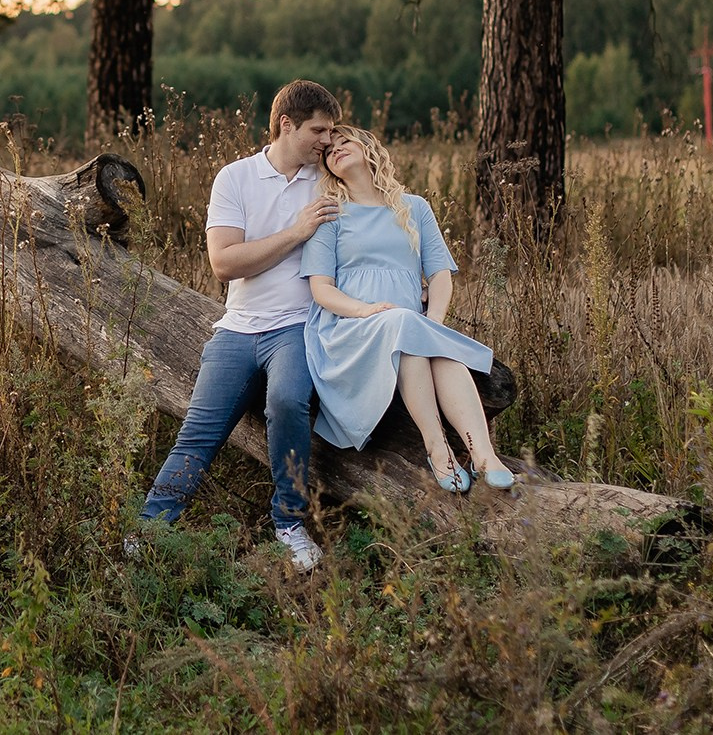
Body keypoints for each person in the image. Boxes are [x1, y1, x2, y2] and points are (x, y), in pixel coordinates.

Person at [137, 80, 343, 570]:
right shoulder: (235, 178)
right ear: (286, 125)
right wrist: (299, 230)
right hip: (238, 329)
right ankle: (149, 531)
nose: (328, 141)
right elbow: (225, 263)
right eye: (319, 130)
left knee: (287, 401)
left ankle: (289, 525)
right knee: (198, 432)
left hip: (298, 325)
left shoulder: (330, 180)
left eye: (332, 131)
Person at [301, 126, 515, 493]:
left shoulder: (414, 207)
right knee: (405, 325)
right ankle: (437, 447)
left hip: (405, 325)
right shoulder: (331, 215)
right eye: (328, 151)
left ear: (369, 149)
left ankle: (482, 454)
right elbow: (321, 290)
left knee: (421, 338)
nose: (334, 151)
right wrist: (365, 310)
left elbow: (441, 274)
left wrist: (433, 323)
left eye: (344, 142)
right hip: (351, 328)